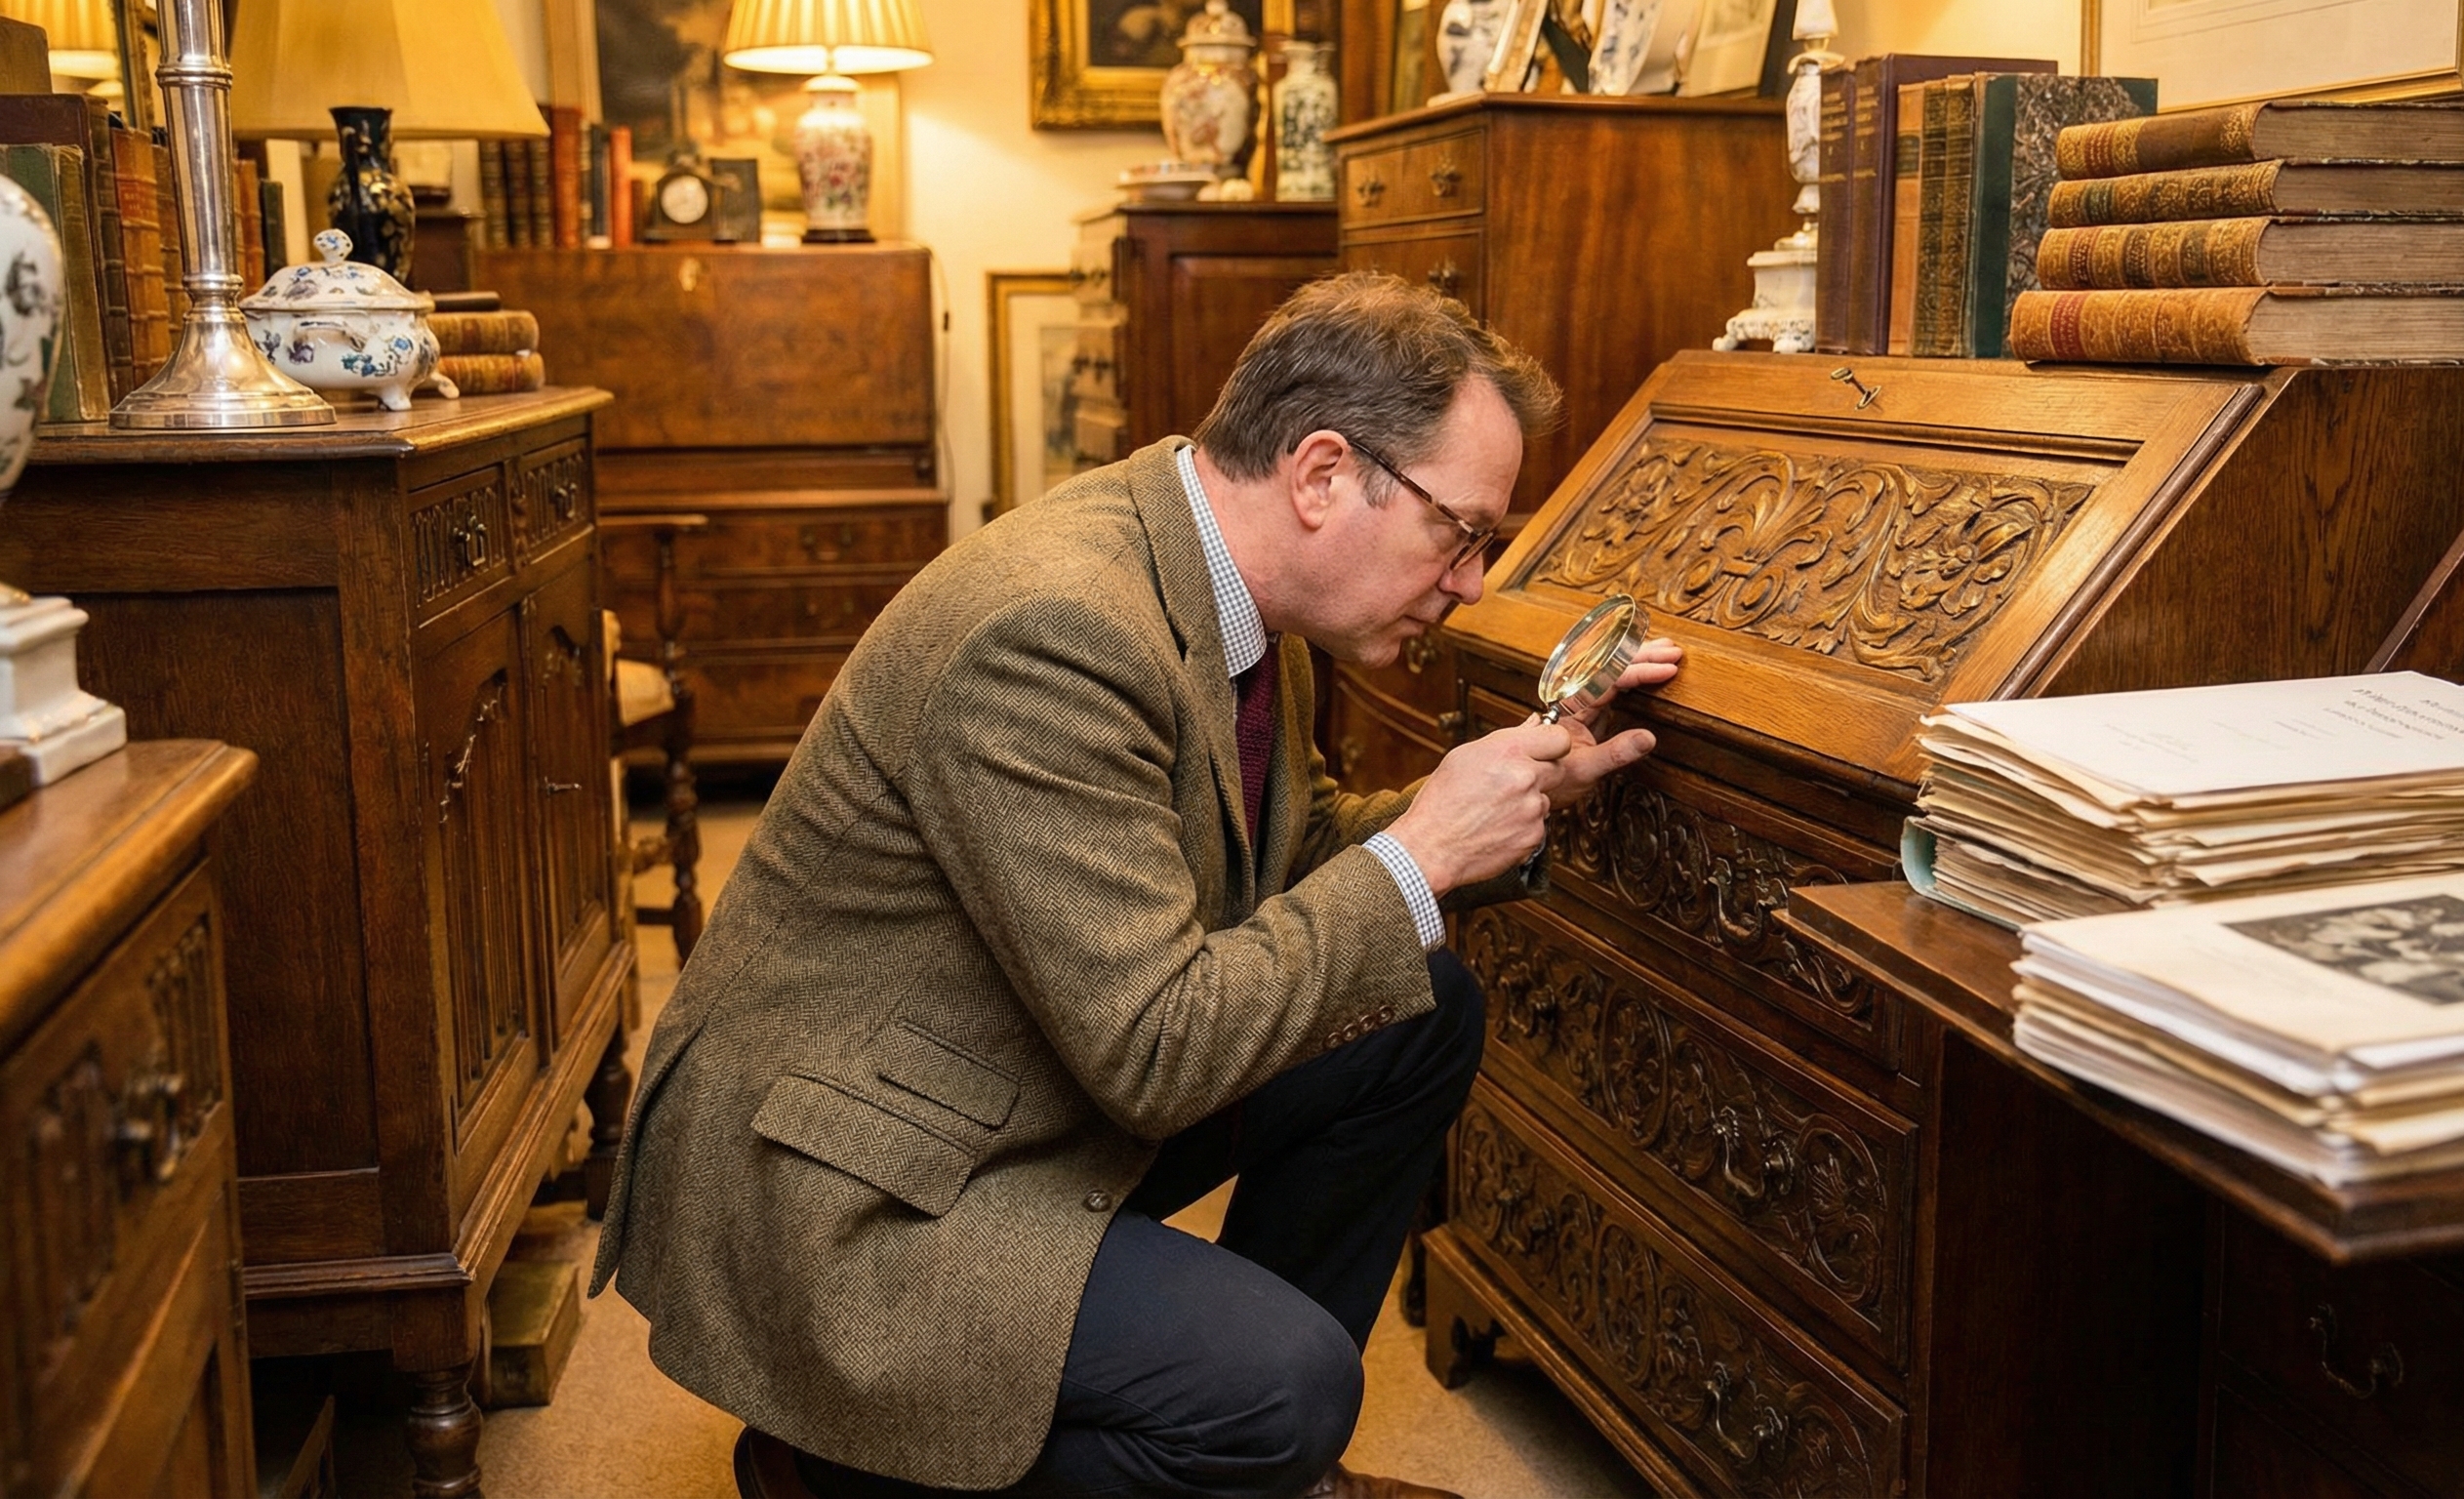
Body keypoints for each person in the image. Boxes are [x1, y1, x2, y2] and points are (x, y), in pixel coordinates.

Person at [592, 272, 1681, 1499]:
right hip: (846, 1178)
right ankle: (845, 1472)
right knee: (1289, 1388)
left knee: (1419, 1014)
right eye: (1462, 531)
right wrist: (1423, 850)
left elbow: (1296, 846)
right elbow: (1155, 1046)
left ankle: (1252, 1465)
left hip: (1004, 1080)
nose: (1472, 580)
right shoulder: (1057, 629)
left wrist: (1521, 800)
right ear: (1322, 475)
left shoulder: (1237, 592)